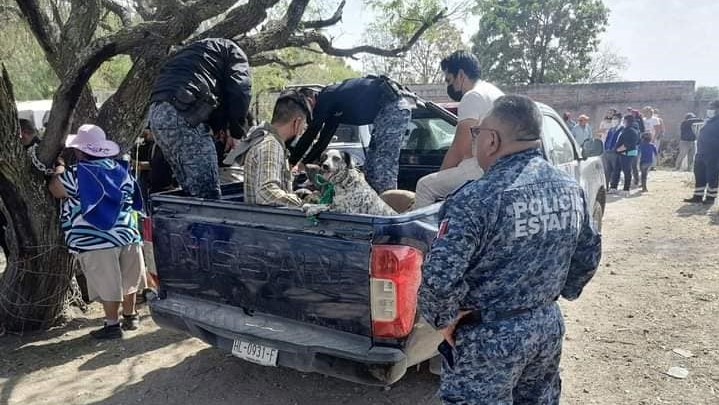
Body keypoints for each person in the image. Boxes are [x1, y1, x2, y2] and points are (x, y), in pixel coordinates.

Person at [419, 94, 601, 404]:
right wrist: (548, 297)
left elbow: (438, 279)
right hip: (545, 328)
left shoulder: (475, 200)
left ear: (491, 140)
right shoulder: (570, 188)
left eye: (477, 134)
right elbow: (588, 256)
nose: (476, 141)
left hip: (486, 339)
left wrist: (444, 319)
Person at [48, 124, 145, 339]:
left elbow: (56, 189)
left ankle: (112, 326)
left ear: (81, 150)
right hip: (127, 232)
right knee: (129, 278)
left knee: (107, 281)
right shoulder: (120, 169)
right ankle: (131, 316)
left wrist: (59, 168)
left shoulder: (78, 173)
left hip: (96, 237)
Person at [148, 38, 251, 199]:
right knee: (208, 194)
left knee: (192, 190)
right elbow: (240, 90)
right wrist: (237, 132)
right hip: (182, 111)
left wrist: (220, 128)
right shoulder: (234, 51)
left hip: (157, 112)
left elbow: (214, 97)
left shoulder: (197, 55)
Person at [289, 75, 413, 194]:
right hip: (382, 113)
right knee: (370, 166)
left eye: (305, 110)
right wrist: (302, 164)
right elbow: (323, 141)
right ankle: (372, 204)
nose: (307, 115)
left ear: (309, 100)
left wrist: (293, 163)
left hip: (393, 108)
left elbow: (312, 131)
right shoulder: (334, 105)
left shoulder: (326, 97)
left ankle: (389, 204)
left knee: (383, 163)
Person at [414, 51, 504, 208]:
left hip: (482, 167)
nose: (450, 86)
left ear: (461, 75)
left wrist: (440, 177)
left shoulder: (472, 96)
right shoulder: (493, 92)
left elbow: (460, 149)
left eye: (449, 80)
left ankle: (428, 233)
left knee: (425, 186)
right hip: (501, 167)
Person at [242, 90, 312, 207]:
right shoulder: (270, 146)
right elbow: (267, 193)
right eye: (304, 124)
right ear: (297, 122)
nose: (303, 129)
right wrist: (302, 203)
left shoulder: (270, 142)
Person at [684, 100, 719, 205]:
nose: (710, 109)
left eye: (712, 107)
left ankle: (710, 197)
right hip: (701, 152)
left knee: (712, 176)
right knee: (699, 174)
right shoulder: (708, 121)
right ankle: (697, 196)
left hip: (714, 154)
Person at [610, 114, 641, 197]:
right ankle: (614, 187)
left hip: (626, 154)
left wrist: (617, 150)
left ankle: (626, 189)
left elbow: (628, 144)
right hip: (621, 154)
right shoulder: (625, 129)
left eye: (624, 120)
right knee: (616, 170)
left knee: (627, 171)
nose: (623, 121)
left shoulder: (630, 131)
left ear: (627, 121)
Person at [603, 112, 623, 188]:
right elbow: (607, 139)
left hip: (615, 152)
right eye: (613, 119)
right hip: (607, 152)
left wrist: (617, 150)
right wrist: (605, 149)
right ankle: (606, 186)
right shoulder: (611, 129)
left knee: (615, 170)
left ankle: (613, 186)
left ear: (620, 119)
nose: (613, 120)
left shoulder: (622, 129)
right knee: (607, 170)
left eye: (615, 119)